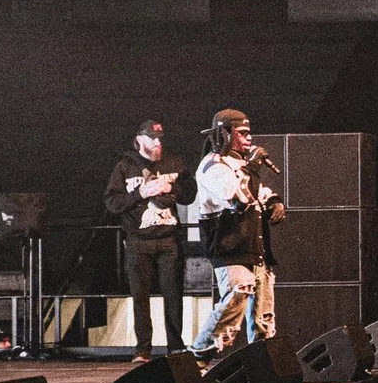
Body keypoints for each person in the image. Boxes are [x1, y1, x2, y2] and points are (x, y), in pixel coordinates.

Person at [193, 108, 284, 356]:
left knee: (264, 317)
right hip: (229, 247)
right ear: (224, 134)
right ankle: (199, 356)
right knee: (239, 288)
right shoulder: (212, 166)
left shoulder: (241, 165)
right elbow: (240, 198)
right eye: (242, 133)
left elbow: (258, 192)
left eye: (249, 133)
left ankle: (264, 368)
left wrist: (274, 201)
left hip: (254, 248)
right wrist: (254, 166)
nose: (249, 138)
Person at [101, 118, 194, 359]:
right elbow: (112, 203)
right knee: (140, 296)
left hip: (168, 239)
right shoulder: (125, 166)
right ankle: (143, 349)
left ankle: (175, 347)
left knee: (173, 295)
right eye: (152, 139)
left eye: (160, 139)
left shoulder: (175, 162)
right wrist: (141, 192)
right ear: (140, 139)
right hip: (138, 240)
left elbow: (190, 193)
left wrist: (170, 190)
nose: (157, 143)